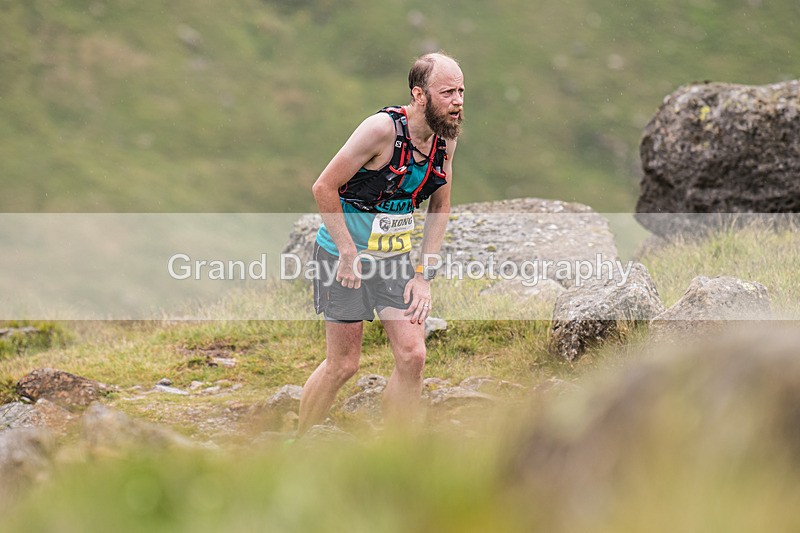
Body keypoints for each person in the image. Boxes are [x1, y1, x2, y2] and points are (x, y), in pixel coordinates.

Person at [298, 52, 464, 434]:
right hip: (343, 258)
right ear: (419, 95)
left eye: (461, 91)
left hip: (393, 260)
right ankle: (301, 439)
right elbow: (323, 187)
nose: (457, 102)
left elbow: (440, 206)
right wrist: (346, 252)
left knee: (413, 355)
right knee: (343, 365)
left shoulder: (446, 140)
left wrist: (423, 276)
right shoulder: (380, 131)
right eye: (447, 93)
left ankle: (395, 447)